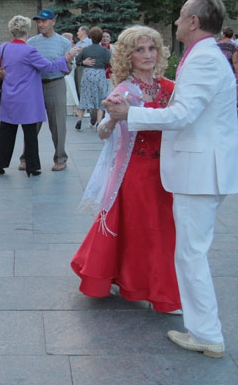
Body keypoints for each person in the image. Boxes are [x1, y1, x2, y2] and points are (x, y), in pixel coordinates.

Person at [107, 0, 238, 358]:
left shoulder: (204, 59)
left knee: (191, 254)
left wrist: (130, 115)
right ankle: (204, 330)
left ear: (194, 22)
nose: (177, 22)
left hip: (200, 171)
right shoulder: (204, 56)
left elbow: (183, 114)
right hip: (201, 169)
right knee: (190, 252)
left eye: (182, 16)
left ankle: (206, 334)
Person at [72, 25, 179, 314]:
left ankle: (147, 283)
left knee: (160, 231)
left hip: (168, 171)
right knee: (147, 232)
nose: (148, 55)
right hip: (136, 172)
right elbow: (102, 132)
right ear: (128, 56)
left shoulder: (170, 88)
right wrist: (112, 119)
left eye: (152, 48)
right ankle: (157, 292)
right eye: (139, 50)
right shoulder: (124, 91)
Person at [0, 15, 78, 177]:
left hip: (9, 95)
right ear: (27, 30)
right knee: (30, 132)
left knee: (6, 131)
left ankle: (0, 165)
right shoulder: (29, 50)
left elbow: (5, 68)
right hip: (27, 97)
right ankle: (32, 167)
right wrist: (67, 57)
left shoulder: (3, 47)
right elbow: (49, 66)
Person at [23, 9, 73, 172]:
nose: (41, 24)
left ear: (53, 22)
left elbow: (68, 69)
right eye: (39, 22)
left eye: (44, 21)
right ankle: (26, 157)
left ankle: (60, 158)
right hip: (35, 85)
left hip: (56, 83)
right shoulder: (31, 42)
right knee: (31, 123)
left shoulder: (64, 43)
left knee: (58, 123)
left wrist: (67, 64)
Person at [74, 26, 111, 130]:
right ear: (100, 38)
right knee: (101, 97)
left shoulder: (86, 49)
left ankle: (79, 120)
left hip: (87, 73)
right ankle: (99, 122)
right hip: (99, 74)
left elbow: (77, 60)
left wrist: (83, 62)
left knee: (84, 96)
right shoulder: (104, 50)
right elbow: (110, 62)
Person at [62, 32, 79, 116]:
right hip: (68, 70)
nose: (72, 40)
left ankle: (75, 108)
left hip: (71, 70)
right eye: (71, 39)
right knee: (69, 89)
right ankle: (73, 108)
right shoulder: (66, 48)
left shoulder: (71, 48)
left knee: (71, 88)